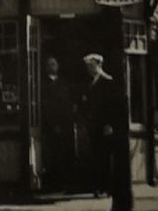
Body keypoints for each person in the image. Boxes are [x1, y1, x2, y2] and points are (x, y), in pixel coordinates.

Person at [81, 53, 125, 197]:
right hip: (93, 124)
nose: (89, 69)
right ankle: (99, 186)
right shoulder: (90, 82)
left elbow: (112, 106)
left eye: (91, 66)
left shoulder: (107, 81)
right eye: (88, 66)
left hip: (104, 125)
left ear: (99, 65)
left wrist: (109, 124)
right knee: (96, 156)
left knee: (104, 156)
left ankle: (106, 187)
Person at [41, 57, 76, 191]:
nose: (52, 67)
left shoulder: (63, 83)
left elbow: (68, 103)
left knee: (67, 153)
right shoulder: (44, 84)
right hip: (52, 125)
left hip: (66, 123)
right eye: (49, 65)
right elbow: (47, 106)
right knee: (54, 154)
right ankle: (54, 182)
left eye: (54, 64)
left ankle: (67, 181)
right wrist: (54, 123)